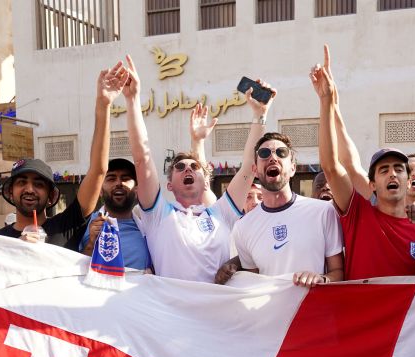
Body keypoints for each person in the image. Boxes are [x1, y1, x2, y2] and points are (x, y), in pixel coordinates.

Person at [123, 55, 270, 282]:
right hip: (170, 313)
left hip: (216, 312)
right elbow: (142, 158)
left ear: (204, 180)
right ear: (169, 184)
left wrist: (260, 115)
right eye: (180, 167)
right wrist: (132, 100)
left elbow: (249, 169)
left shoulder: (222, 213)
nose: (188, 169)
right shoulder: (158, 214)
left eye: (194, 166)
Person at [312, 49, 415, 280]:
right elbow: (333, 166)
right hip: (358, 316)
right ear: (371, 185)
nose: (392, 174)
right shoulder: (358, 213)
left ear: (409, 179)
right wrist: (327, 101)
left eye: (399, 169)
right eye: (384, 170)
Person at [0, 65, 126, 247]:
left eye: (39, 184)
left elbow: (98, 171)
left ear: (50, 196)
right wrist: (17, 249)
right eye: (21, 182)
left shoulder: (65, 226)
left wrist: (103, 105)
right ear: (10, 191)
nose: (30, 189)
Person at [226, 132, 344, 287]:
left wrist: (321, 279)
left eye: (281, 153)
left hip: (312, 309)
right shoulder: (242, 227)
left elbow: (339, 273)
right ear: (254, 170)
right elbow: (252, 287)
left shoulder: (323, 212)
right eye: (264, 153)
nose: (273, 158)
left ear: (293, 168)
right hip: (270, 311)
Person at [80, 158, 153, 271]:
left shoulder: (149, 228)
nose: (119, 183)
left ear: (136, 189)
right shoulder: (86, 224)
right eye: (111, 178)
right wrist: (91, 244)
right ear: (100, 190)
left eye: (126, 178)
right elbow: (75, 271)